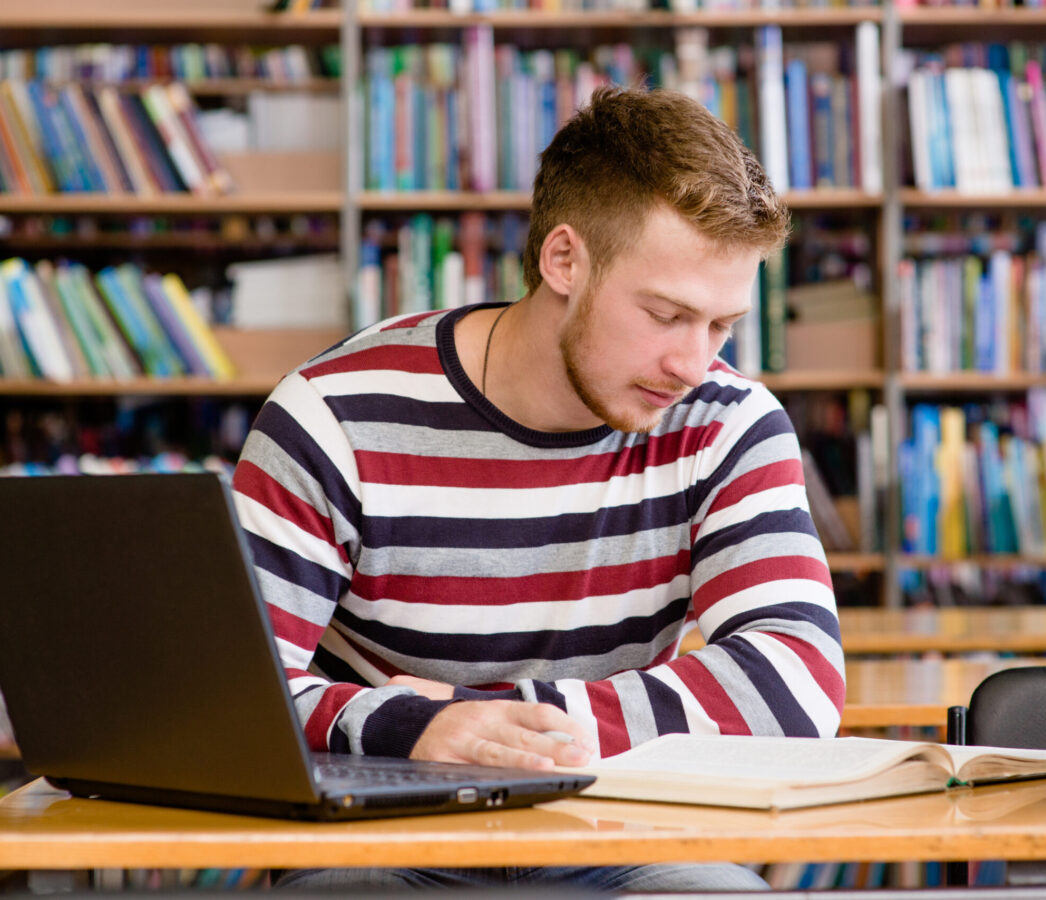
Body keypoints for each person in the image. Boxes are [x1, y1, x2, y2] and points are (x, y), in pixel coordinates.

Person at [232, 83, 844, 893]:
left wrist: (477, 717)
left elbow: (794, 679)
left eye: (721, 325)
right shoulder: (336, 414)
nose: (694, 364)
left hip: (623, 824)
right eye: (665, 315)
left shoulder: (727, 424)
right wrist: (419, 735)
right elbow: (242, 700)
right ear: (564, 259)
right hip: (387, 833)